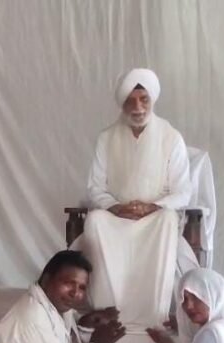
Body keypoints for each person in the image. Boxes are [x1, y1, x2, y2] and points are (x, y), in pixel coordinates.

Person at [80, 67, 198, 329]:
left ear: (152, 99)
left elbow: (183, 191)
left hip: (154, 219)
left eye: (143, 99)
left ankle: (153, 314)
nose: (138, 107)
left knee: (168, 220)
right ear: (122, 103)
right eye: (130, 101)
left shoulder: (171, 137)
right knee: (95, 221)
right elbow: (95, 187)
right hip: (117, 218)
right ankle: (108, 312)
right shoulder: (106, 138)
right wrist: (115, 207)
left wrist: (153, 207)